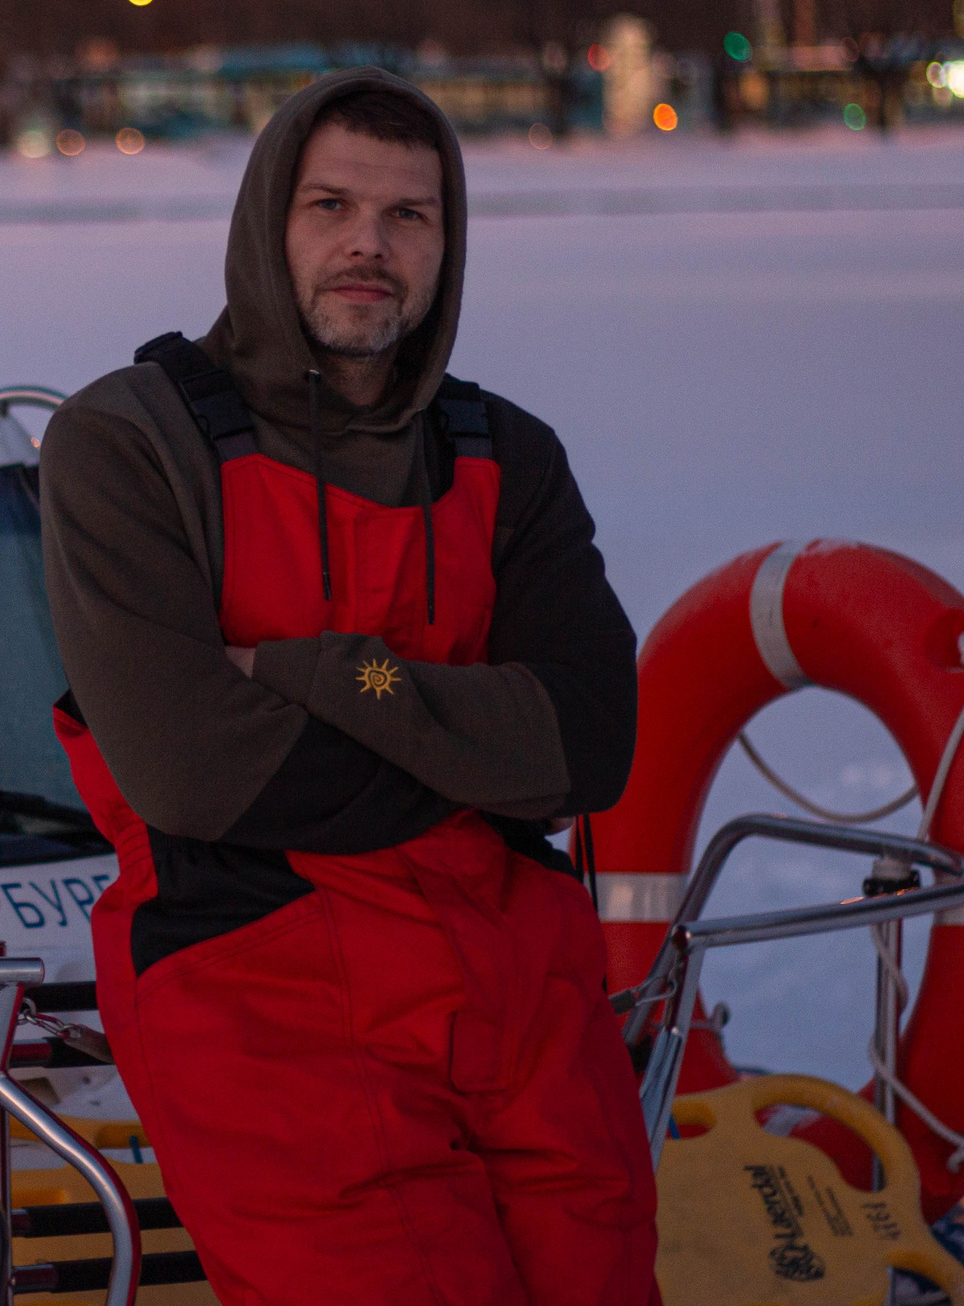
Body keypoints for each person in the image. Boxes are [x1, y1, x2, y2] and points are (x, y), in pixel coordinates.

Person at [38, 68, 658, 1305]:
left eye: (408, 217)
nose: (367, 246)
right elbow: (196, 767)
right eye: (328, 207)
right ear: (268, 225)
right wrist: (476, 747)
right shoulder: (129, 444)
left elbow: (589, 746)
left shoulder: (508, 457)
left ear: (447, 244)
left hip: (525, 1001)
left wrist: (329, 676)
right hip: (269, 999)